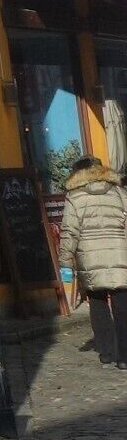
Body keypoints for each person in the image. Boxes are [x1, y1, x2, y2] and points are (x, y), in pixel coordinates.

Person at [58, 154, 127, 365]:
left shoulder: (75, 196)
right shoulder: (119, 192)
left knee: (97, 304)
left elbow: (69, 232)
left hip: (89, 259)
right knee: (123, 306)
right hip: (119, 255)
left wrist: (65, 261)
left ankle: (106, 352)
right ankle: (124, 357)